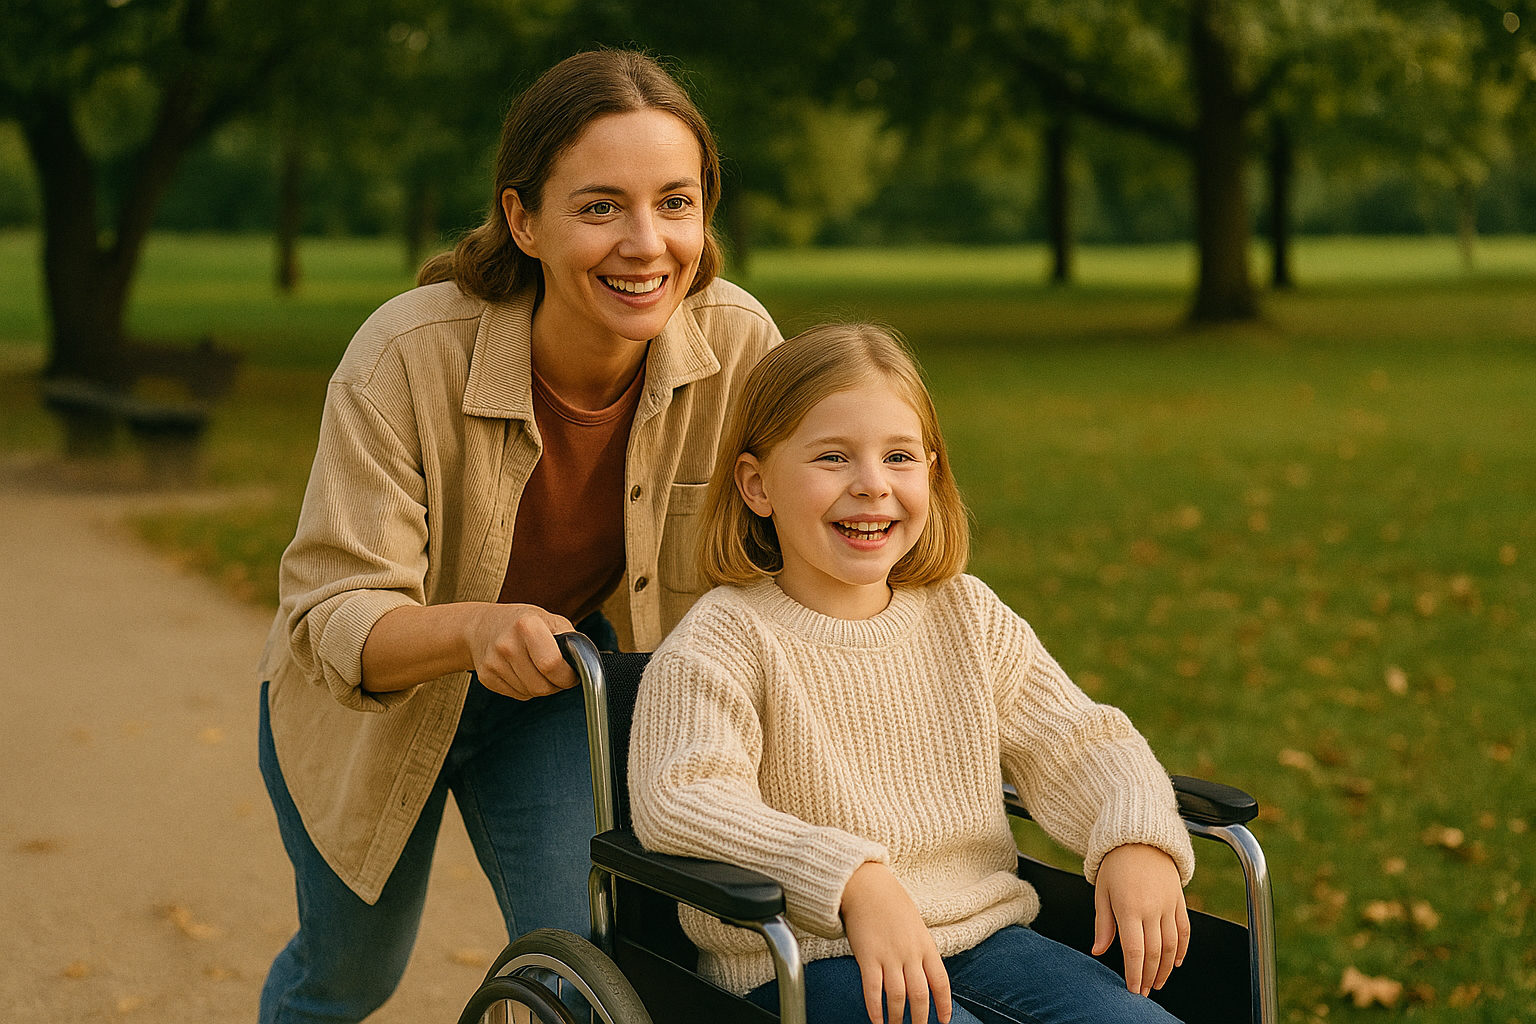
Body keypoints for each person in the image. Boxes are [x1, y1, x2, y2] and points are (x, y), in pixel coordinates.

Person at [255, 50, 781, 1024]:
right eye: (599, 207)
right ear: (521, 218)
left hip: (550, 697)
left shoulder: (741, 345)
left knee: (581, 978)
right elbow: (331, 609)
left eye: (675, 202)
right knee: (348, 975)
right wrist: (469, 631)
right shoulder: (404, 355)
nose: (645, 243)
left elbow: (802, 552)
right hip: (366, 711)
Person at [628, 324, 1197, 1024]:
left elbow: (1081, 740)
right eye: (832, 458)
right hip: (807, 962)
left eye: (898, 457)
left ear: (930, 470)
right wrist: (850, 880)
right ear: (756, 485)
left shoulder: (966, 615)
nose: (872, 486)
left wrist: (1134, 833)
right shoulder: (723, 640)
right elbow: (682, 798)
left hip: (989, 942)